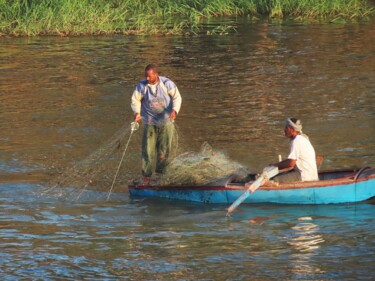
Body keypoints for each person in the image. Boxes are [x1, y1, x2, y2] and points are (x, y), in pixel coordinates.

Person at [131, 64, 182, 184]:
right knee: (147, 150)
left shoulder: (167, 83)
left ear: (156, 75)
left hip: (166, 122)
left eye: (149, 76)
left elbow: (177, 97)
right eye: (146, 76)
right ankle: (146, 177)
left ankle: (160, 176)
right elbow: (135, 100)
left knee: (164, 150)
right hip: (149, 122)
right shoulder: (141, 86)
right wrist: (136, 113)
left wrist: (174, 110)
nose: (147, 79)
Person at [270, 118, 319, 183]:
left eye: (286, 128)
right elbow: (290, 161)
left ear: (292, 129)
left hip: (303, 176)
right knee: (279, 175)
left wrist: (274, 165)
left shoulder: (296, 141)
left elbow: (291, 163)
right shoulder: (303, 138)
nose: (284, 130)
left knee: (274, 180)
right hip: (310, 175)